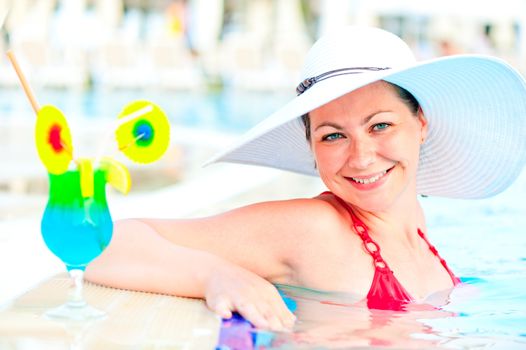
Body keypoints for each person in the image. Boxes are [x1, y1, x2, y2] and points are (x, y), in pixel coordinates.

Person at [85, 26, 526, 331]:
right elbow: (102, 243)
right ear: (312, 146)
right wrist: (214, 274)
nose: (362, 157)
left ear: (421, 122)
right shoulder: (315, 229)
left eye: (380, 126)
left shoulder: (419, 232)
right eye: (333, 135)